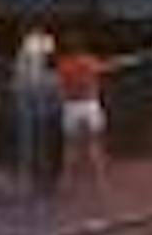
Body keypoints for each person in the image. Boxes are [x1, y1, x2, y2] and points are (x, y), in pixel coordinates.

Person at [9, 23, 64, 192]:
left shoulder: (39, 43)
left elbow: (46, 66)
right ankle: (38, 176)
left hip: (34, 93)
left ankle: (31, 176)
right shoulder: (44, 43)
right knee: (39, 136)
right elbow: (48, 66)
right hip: (36, 94)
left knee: (34, 137)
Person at [58, 39, 107, 181]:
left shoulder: (64, 64)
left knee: (70, 145)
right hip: (89, 104)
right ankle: (100, 178)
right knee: (94, 143)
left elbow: (61, 86)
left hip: (71, 106)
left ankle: (66, 178)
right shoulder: (89, 61)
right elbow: (101, 70)